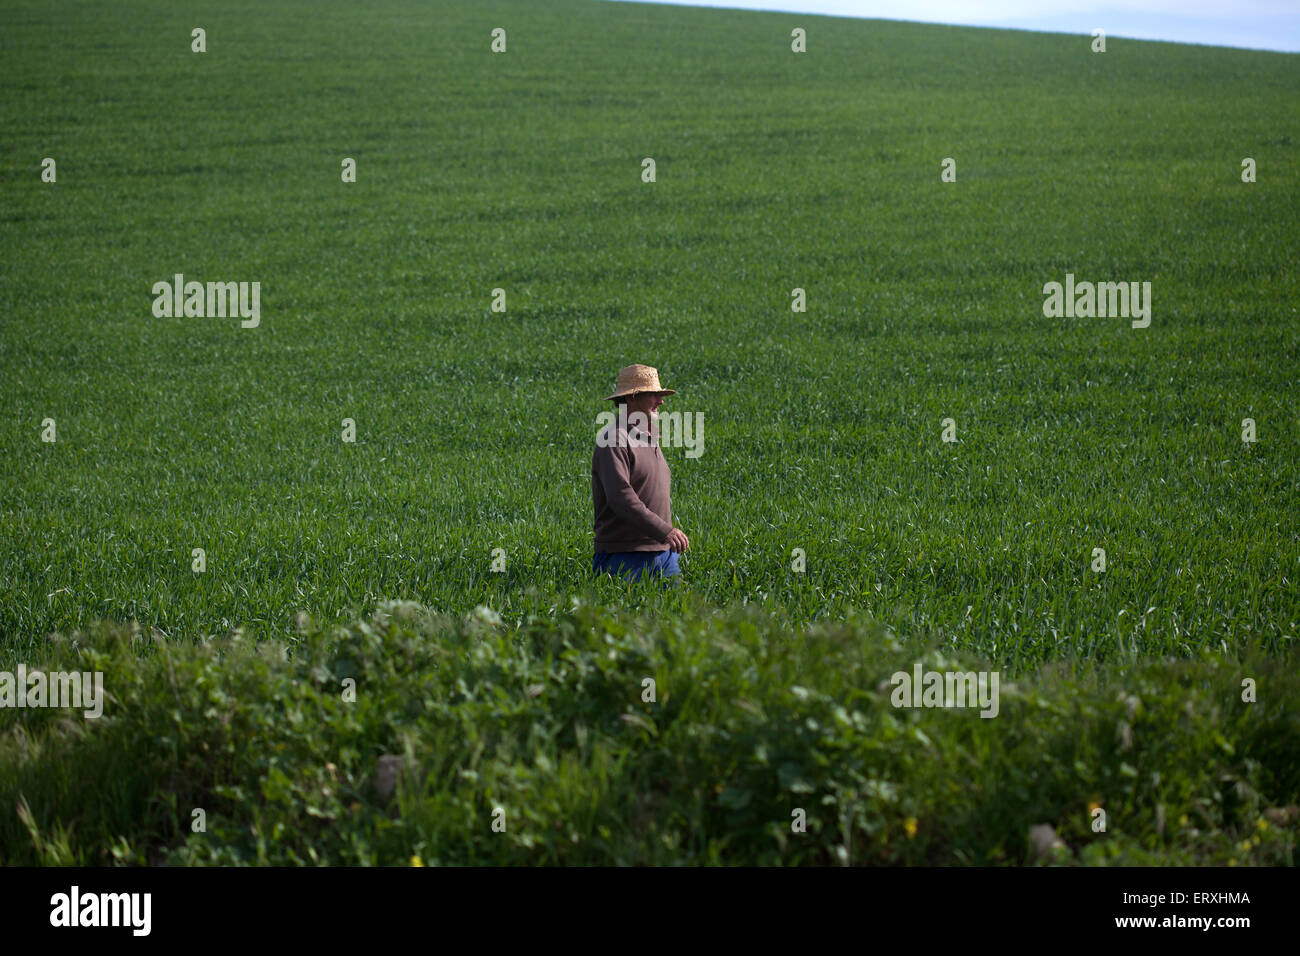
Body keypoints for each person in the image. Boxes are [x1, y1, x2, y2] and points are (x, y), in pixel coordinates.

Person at [591, 364, 690, 582]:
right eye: (653, 394)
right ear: (631, 398)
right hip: (625, 556)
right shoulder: (614, 440)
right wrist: (665, 530)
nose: (661, 401)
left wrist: (664, 537)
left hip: (664, 554)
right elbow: (621, 498)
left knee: (675, 615)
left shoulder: (648, 438)